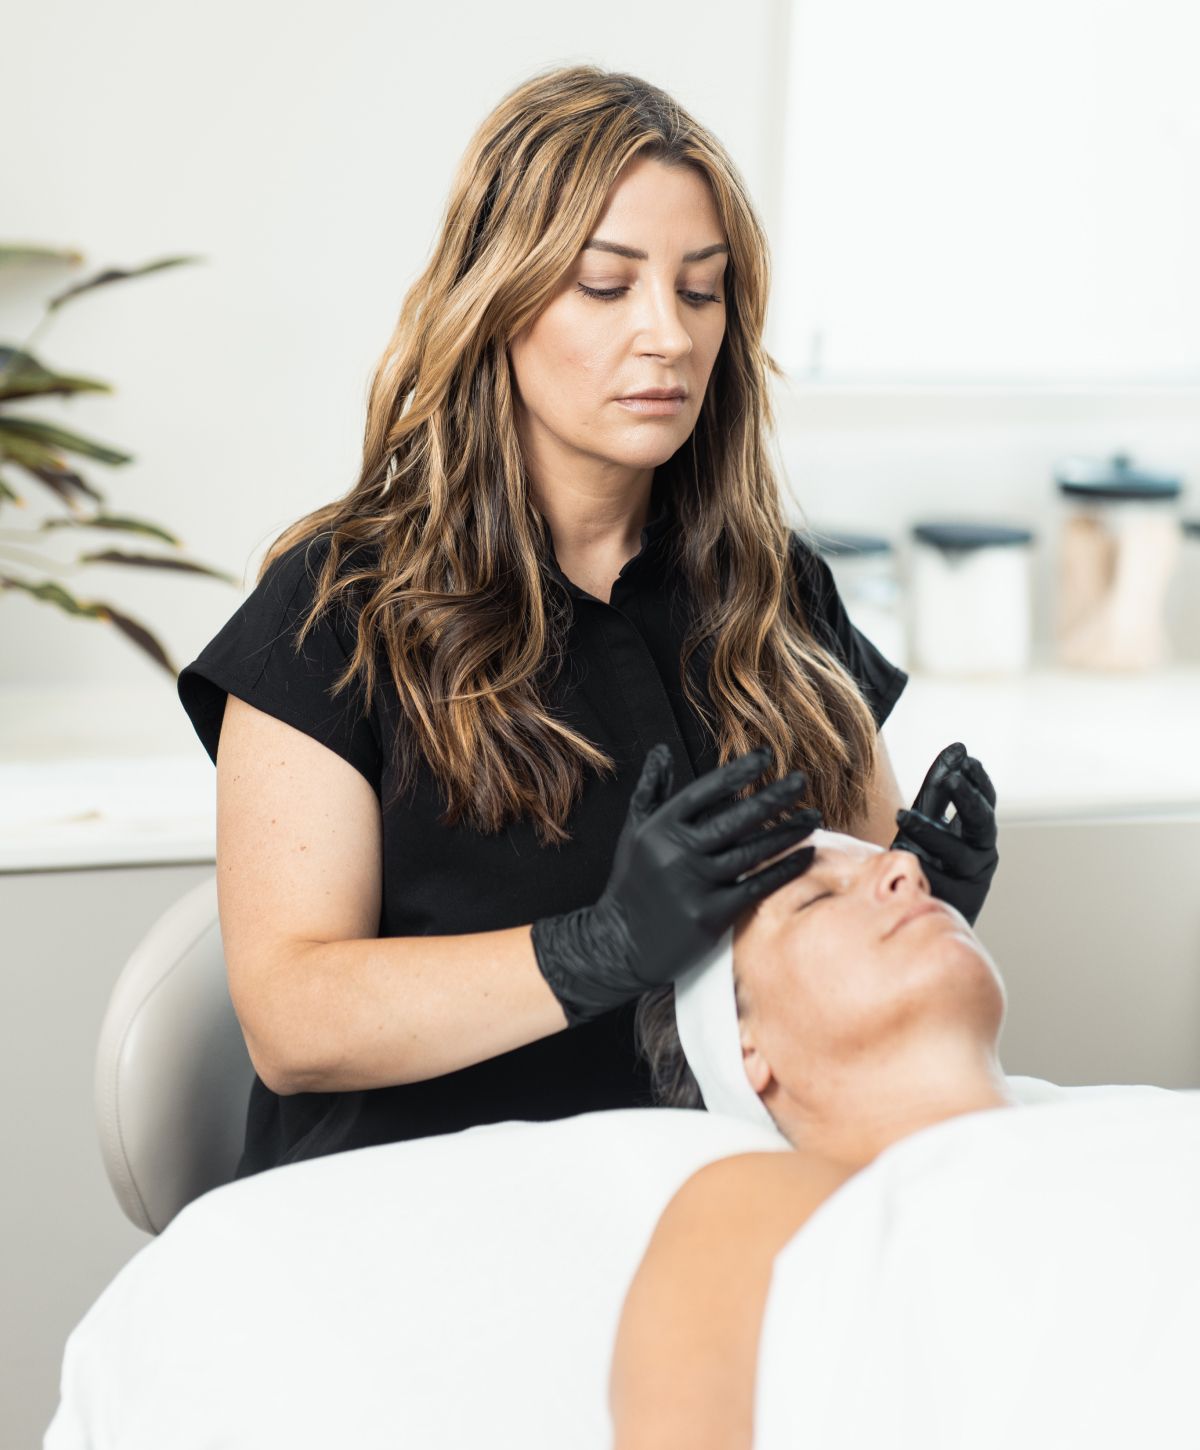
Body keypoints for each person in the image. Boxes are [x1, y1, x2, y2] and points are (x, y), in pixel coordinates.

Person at [177, 62, 995, 1181]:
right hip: (409, 1212)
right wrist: (600, 948)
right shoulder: (337, 609)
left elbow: (834, 928)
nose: (667, 335)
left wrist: (924, 903)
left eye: (700, 292)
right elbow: (291, 1023)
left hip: (716, 1201)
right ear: (499, 300)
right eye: (606, 287)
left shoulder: (777, 595)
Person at [609, 825, 1016, 1448]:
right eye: (819, 897)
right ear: (745, 1047)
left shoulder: (1133, 1122)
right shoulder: (750, 1201)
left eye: (892, 865)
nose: (907, 873)